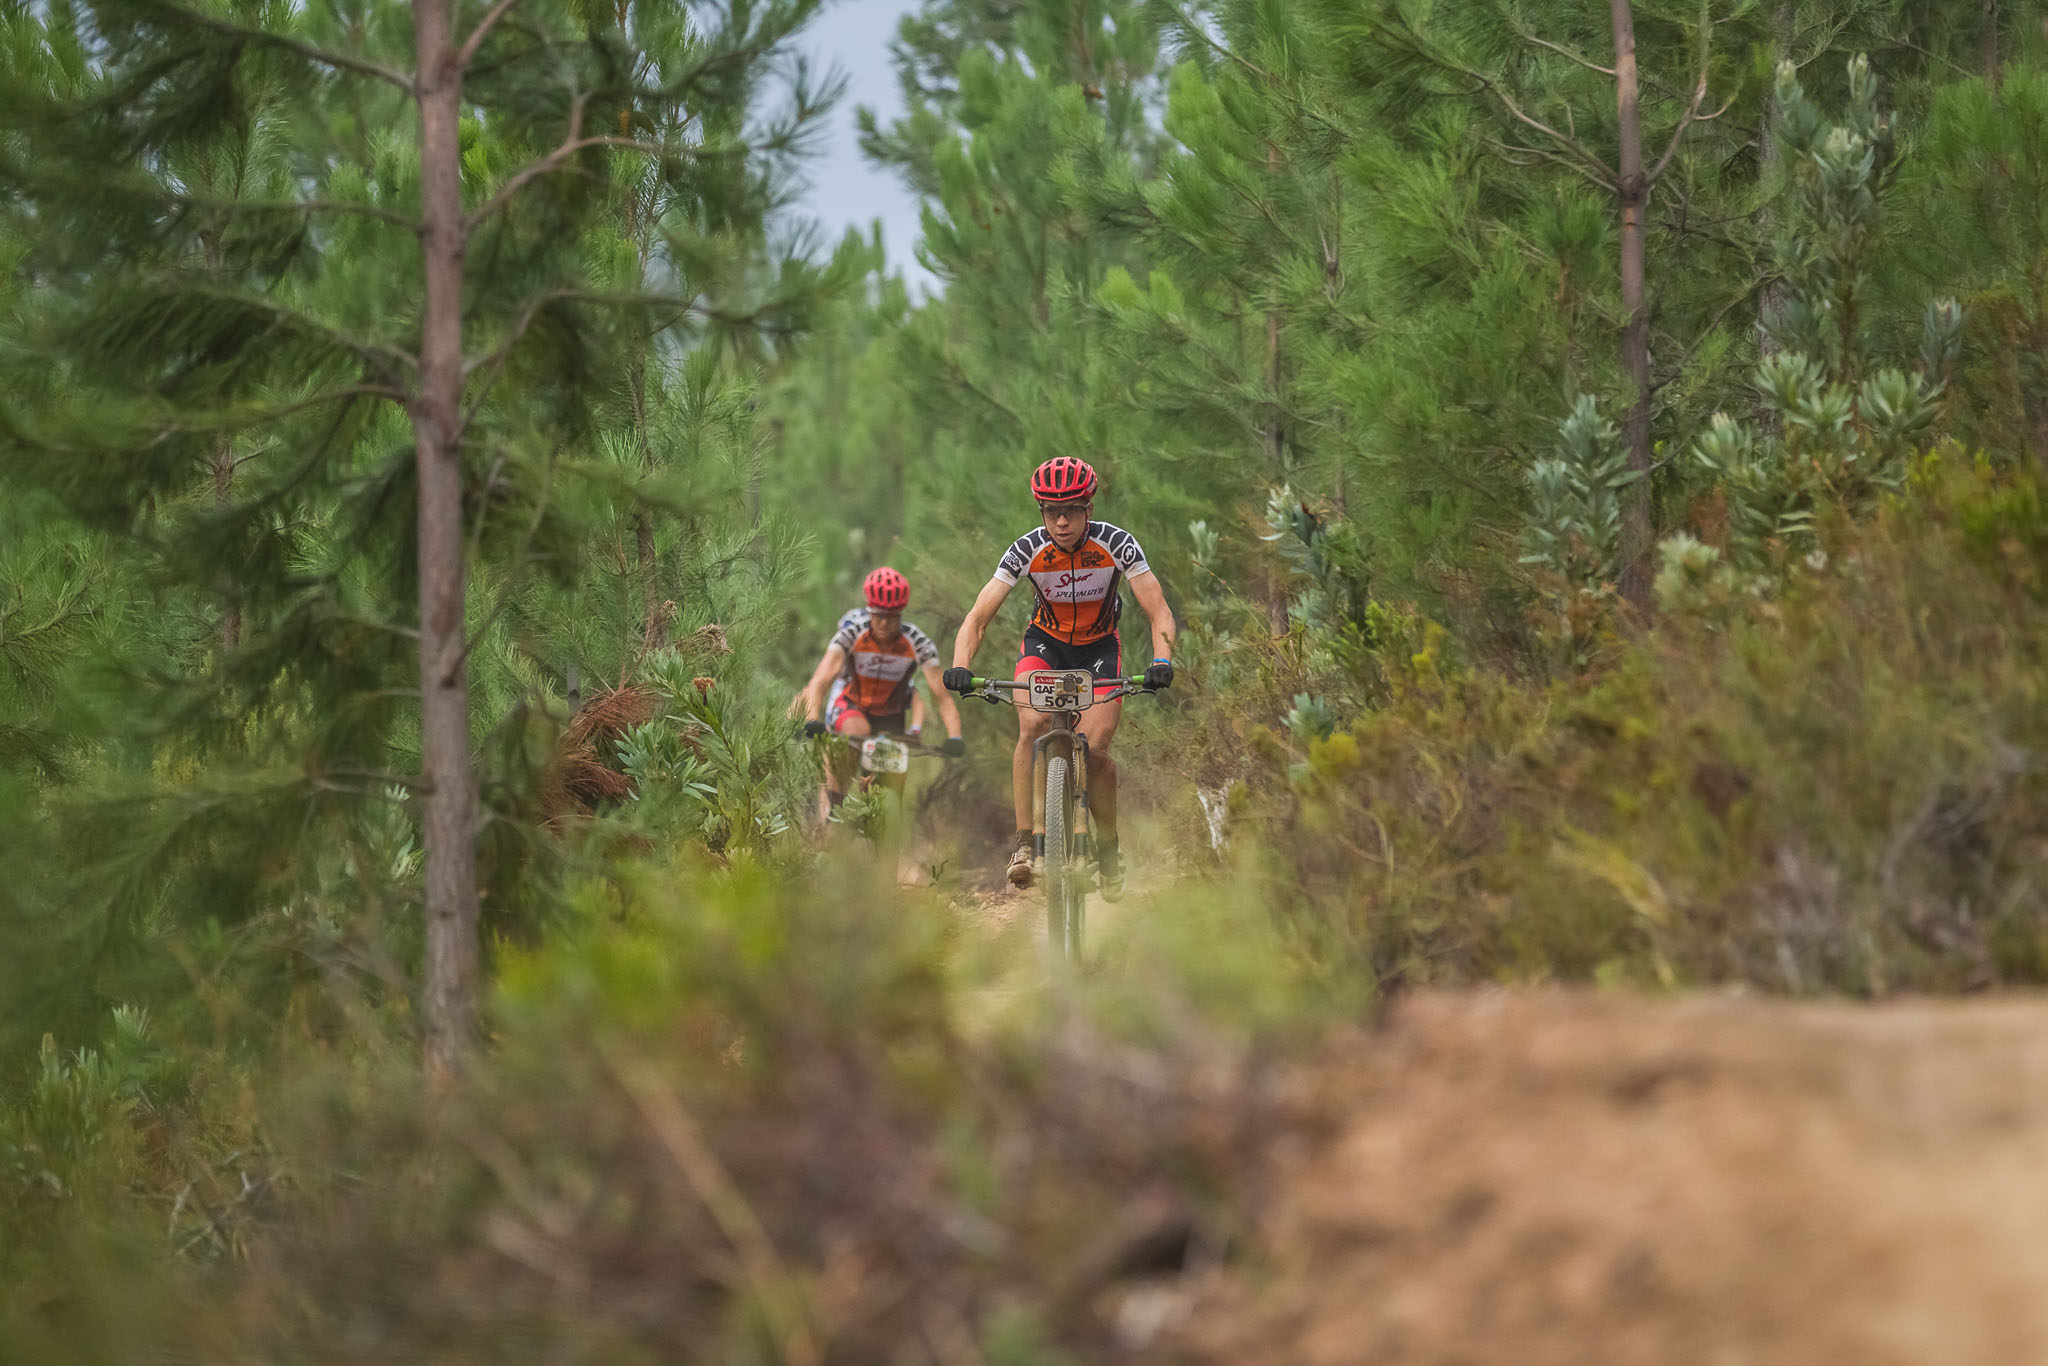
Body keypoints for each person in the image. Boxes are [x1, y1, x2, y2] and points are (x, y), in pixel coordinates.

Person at [942, 457, 1174, 899]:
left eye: (1071, 510)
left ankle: (1107, 849)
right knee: (1031, 725)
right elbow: (978, 616)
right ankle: (1025, 845)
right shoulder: (1027, 549)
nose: (1062, 521)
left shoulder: (1117, 544)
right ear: (1041, 512)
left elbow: (1158, 609)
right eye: (1051, 511)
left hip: (1100, 651)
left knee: (1098, 749)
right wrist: (961, 665)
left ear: (1089, 508)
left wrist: (1161, 659)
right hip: (1044, 647)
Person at [797, 566, 965, 819]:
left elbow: (940, 695)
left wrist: (955, 736)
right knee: (857, 732)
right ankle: (831, 811)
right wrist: (811, 717)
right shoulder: (851, 634)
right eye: (878, 616)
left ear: (901, 613)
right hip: (853, 707)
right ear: (869, 610)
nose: (885, 623)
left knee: (891, 787)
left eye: (892, 616)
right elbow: (820, 682)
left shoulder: (918, 643)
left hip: (890, 717)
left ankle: (886, 841)